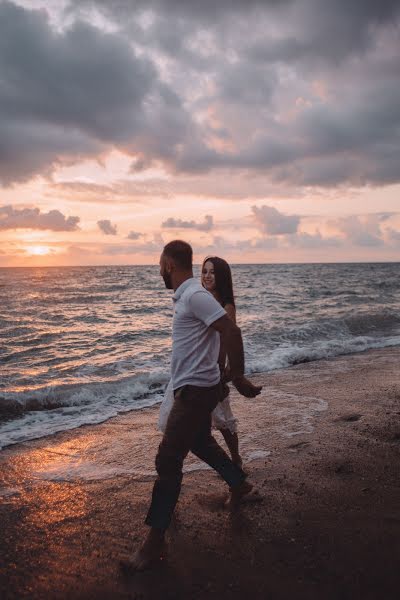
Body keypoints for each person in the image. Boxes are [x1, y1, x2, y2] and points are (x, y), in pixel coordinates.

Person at [122, 240, 262, 572]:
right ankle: (239, 482)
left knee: (167, 460)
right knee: (200, 442)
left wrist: (238, 377)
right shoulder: (187, 297)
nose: (159, 270)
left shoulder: (194, 295)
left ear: (168, 264)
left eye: (160, 264)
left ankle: (153, 543)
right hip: (199, 388)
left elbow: (230, 329)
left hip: (195, 392)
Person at [159, 256, 244, 468]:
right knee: (192, 425)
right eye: (204, 271)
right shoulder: (198, 298)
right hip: (194, 372)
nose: (207, 276)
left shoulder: (226, 306)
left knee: (223, 420)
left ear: (222, 276)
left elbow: (227, 337)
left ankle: (236, 460)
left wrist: (226, 371)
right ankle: (227, 468)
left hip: (213, 371)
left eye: (212, 272)